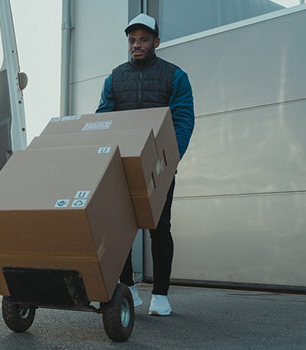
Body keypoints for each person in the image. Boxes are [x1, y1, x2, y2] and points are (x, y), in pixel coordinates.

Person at [96, 14, 194, 316]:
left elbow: (183, 120)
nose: (136, 45)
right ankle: (129, 289)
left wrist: (169, 160)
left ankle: (161, 296)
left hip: (159, 168)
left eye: (143, 39)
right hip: (121, 166)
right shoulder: (115, 77)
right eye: (132, 40)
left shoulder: (174, 76)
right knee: (120, 229)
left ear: (156, 42)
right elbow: (103, 118)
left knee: (159, 229)